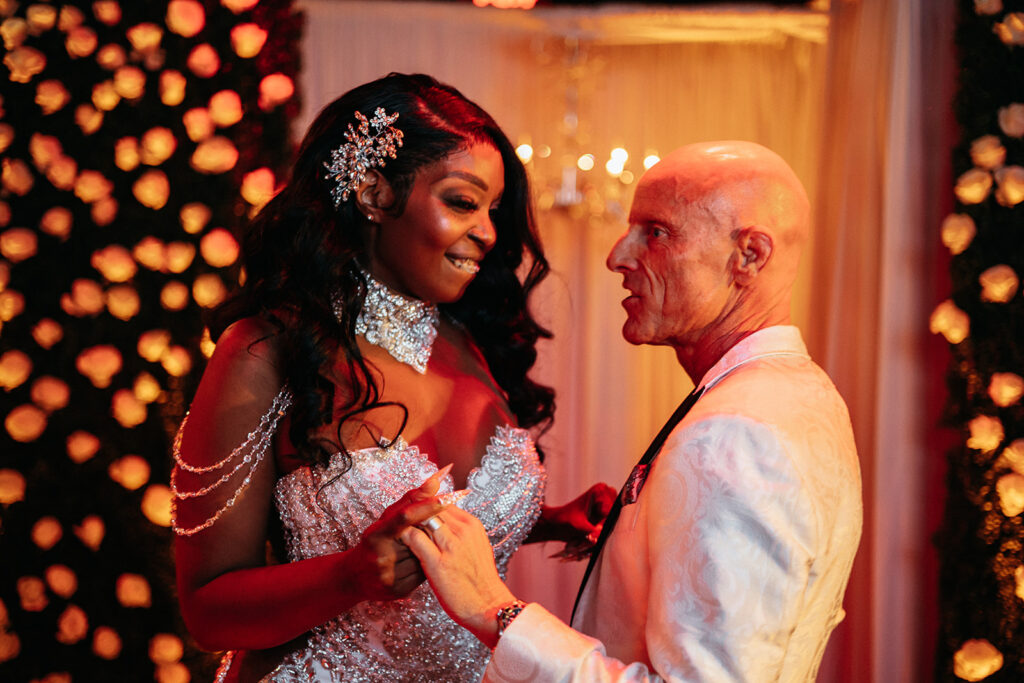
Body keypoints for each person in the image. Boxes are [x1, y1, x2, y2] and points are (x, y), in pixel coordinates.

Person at [171, 73, 613, 682]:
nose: (487, 231)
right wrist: (349, 575)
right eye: (462, 202)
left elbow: (446, 515)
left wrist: (550, 517)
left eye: (493, 210)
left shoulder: (471, 341)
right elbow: (206, 610)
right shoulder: (267, 349)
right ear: (374, 194)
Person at [403, 141, 864, 682]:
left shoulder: (735, 436)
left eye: (657, 232)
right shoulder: (801, 392)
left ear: (749, 256)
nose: (618, 256)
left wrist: (494, 610)